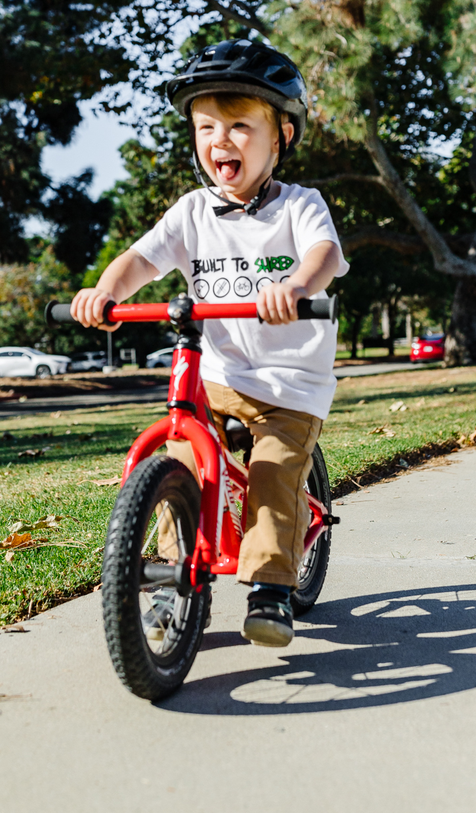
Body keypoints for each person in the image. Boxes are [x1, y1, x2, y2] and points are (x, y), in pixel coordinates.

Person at [70, 39, 348, 647]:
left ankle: (272, 589)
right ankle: (171, 586)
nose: (222, 140)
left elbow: (325, 255)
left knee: (273, 474)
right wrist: (105, 292)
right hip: (220, 377)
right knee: (185, 464)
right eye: (206, 127)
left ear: (281, 138)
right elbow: (141, 258)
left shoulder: (300, 207)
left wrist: (296, 284)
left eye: (241, 126)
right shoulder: (192, 212)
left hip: (289, 386)